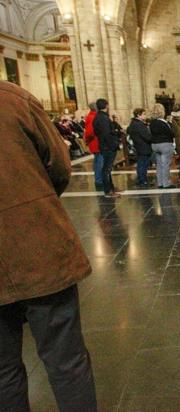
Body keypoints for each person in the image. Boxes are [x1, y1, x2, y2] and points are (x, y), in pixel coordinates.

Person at [0, 80, 97, 411]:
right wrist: (34, 205)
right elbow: (58, 164)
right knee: (66, 361)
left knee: (2, 372)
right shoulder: (12, 99)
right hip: (37, 249)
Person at [93, 98, 121, 198]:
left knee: (108, 169)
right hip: (108, 147)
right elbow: (106, 134)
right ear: (106, 106)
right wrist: (114, 144)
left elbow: (97, 132)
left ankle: (111, 188)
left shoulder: (98, 117)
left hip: (104, 145)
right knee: (106, 169)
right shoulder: (103, 118)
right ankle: (108, 191)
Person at [150, 103, 176, 189]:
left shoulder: (152, 122)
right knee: (165, 164)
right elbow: (171, 133)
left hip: (155, 145)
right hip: (164, 144)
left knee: (159, 164)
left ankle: (160, 183)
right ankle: (166, 183)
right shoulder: (163, 122)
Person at [127, 108, 152, 187]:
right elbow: (147, 136)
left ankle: (141, 179)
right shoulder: (139, 124)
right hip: (143, 146)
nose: (145, 115)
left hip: (139, 146)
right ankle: (143, 180)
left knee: (141, 164)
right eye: (144, 114)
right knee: (143, 164)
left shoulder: (133, 123)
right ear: (138, 115)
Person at [84, 102, 103, 191]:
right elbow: (90, 132)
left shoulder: (92, 116)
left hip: (95, 142)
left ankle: (99, 179)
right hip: (96, 142)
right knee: (99, 162)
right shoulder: (93, 117)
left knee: (97, 161)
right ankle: (99, 180)